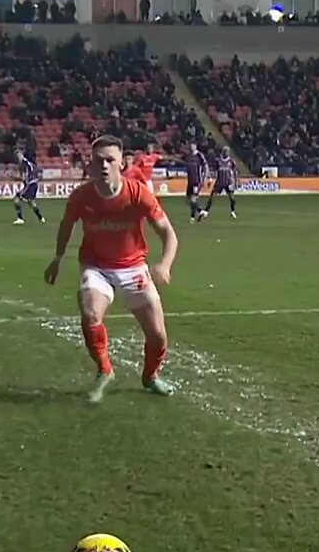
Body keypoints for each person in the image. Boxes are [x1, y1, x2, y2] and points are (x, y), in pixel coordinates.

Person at [44, 135, 178, 403]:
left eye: (110, 160)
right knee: (91, 313)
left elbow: (168, 233)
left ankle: (150, 376)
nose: (104, 165)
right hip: (96, 267)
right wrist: (57, 258)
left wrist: (164, 265)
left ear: (122, 163)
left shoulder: (138, 193)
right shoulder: (81, 197)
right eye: (98, 161)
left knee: (158, 335)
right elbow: (66, 226)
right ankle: (105, 371)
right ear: (91, 166)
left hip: (133, 267)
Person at [200, 146, 237, 220]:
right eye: (225, 151)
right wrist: (210, 179)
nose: (227, 152)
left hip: (228, 182)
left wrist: (235, 182)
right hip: (219, 182)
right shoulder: (218, 161)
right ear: (223, 152)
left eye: (228, 151)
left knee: (232, 198)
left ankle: (233, 211)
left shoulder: (231, 161)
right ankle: (206, 211)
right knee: (212, 196)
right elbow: (214, 171)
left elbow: (234, 172)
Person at [12, 148, 45, 225]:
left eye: (18, 155)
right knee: (31, 202)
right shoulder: (29, 163)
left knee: (17, 199)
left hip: (30, 185)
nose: (18, 157)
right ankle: (41, 218)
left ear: (21, 155)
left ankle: (20, 218)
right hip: (33, 184)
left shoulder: (24, 163)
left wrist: (17, 177)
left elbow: (26, 175)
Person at [184, 142, 209, 222]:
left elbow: (205, 166)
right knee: (189, 200)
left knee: (193, 199)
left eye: (193, 145)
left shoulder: (199, 155)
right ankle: (200, 212)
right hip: (190, 181)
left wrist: (205, 177)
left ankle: (193, 217)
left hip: (196, 181)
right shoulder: (189, 156)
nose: (191, 147)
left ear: (195, 146)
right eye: (190, 145)